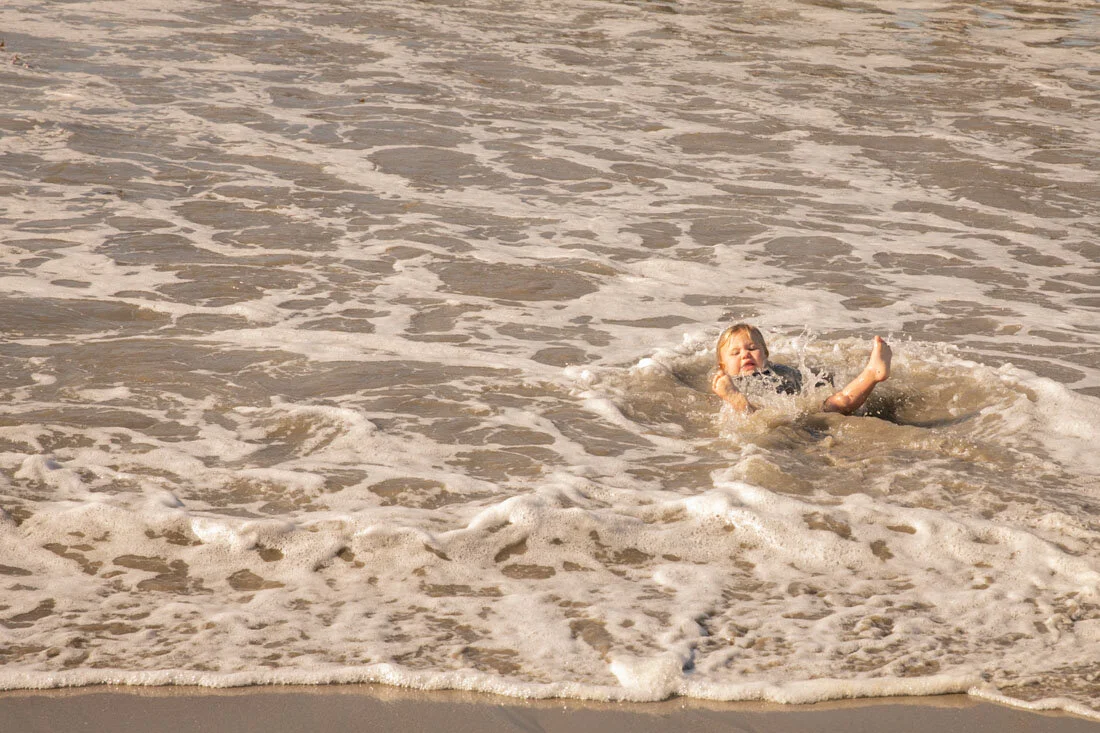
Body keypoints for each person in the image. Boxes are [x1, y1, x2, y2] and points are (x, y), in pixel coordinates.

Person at [710, 323, 891, 415]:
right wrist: (729, 393)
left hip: (804, 413)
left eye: (752, 348)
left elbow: (812, 384)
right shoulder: (729, 383)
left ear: (765, 354)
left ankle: (872, 373)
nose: (745, 355)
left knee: (840, 401)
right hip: (775, 422)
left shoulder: (780, 371)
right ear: (722, 367)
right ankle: (737, 401)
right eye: (735, 353)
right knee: (753, 416)